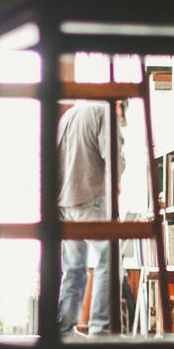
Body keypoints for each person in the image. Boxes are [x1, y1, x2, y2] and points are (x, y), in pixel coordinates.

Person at [56, 99, 127, 336]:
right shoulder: (105, 112)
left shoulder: (69, 115)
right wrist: (115, 186)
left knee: (73, 268)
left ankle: (65, 330)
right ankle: (101, 329)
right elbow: (114, 157)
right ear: (119, 104)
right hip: (91, 196)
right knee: (108, 261)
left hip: (65, 202)